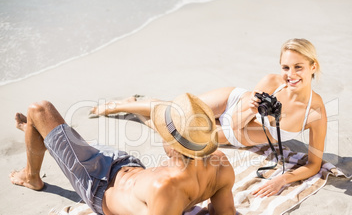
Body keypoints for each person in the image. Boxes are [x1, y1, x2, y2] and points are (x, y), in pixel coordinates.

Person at [9, 93, 236, 215]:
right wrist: (209, 202)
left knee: (39, 109)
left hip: (97, 181)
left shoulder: (167, 187)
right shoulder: (219, 163)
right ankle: (39, 135)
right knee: (74, 142)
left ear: (173, 143)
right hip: (126, 164)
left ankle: (31, 175)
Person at [90, 38, 327, 198]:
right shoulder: (271, 82)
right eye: (286, 67)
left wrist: (282, 180)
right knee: (177, 111)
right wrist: (251, 109)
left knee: (176, 131)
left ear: (313, 66)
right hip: (232, 103)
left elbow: (314, 164)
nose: (290, 75)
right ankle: (119, 105)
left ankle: (135, 108)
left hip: (236, 134)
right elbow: (235, 120)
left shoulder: (315, 113)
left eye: (298, 67)